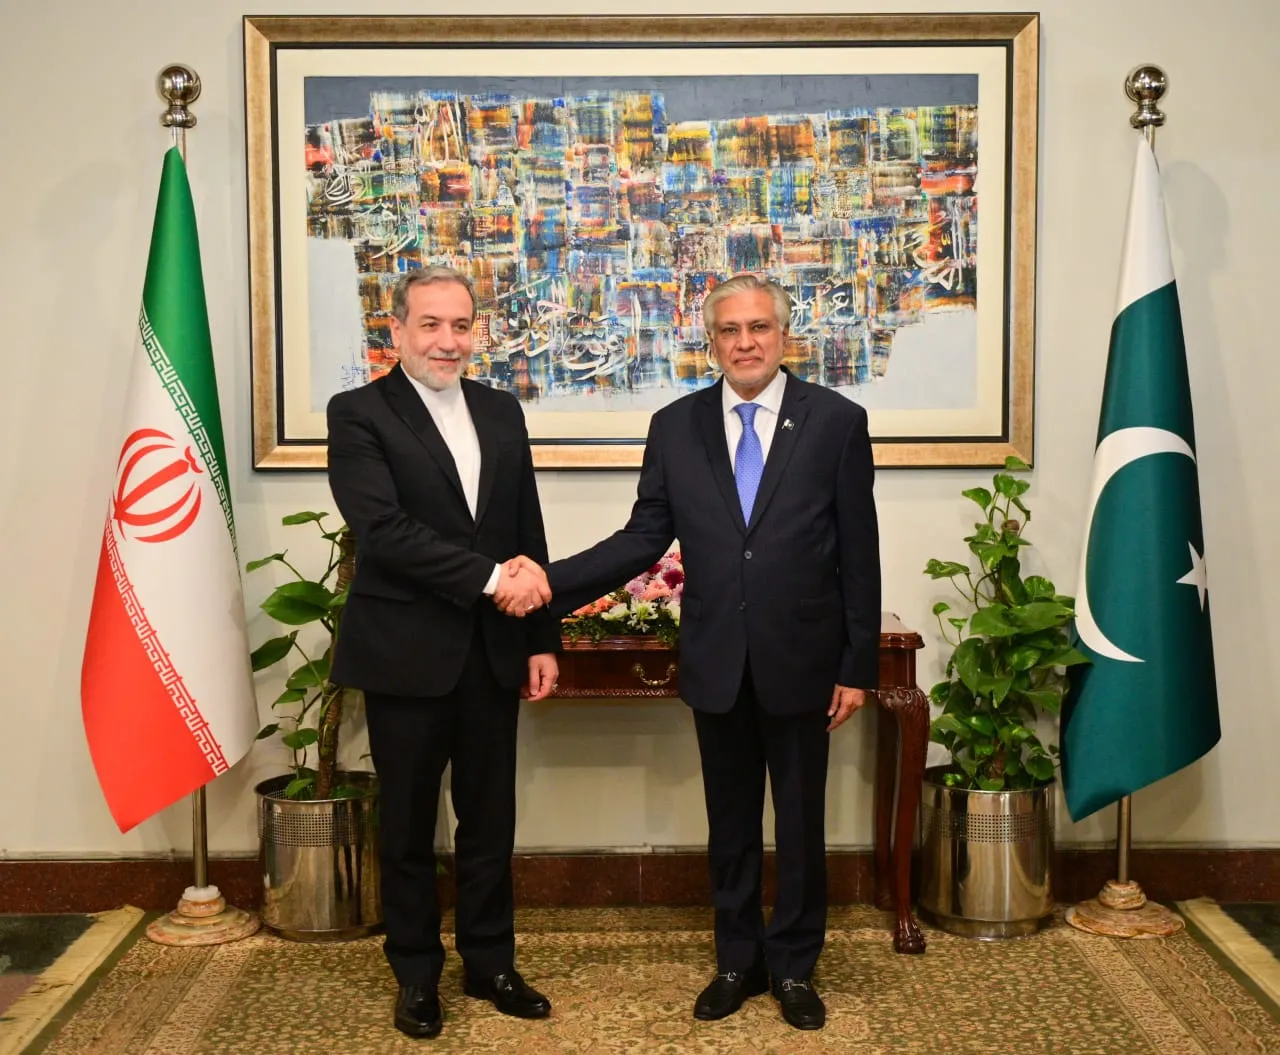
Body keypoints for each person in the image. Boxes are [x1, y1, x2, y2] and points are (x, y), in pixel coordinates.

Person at [535, 274, 881, 1032]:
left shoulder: (836, 421)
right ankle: (737, 961)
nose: (745, 342)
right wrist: (549, 585)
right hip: (718, 657)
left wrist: (857, 665)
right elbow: (642, 537)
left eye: (758, 327)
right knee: (729, 823)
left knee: (800, 823)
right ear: (712, 340)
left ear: (783, 336)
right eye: (730, 330)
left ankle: (794, 965)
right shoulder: (676, 425)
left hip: (804, 659)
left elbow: (860, 550)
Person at [327, 266, 559, 1040]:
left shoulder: (500, 410)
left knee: (490, 822)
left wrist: (541, 638)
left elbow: (524, 525)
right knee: (406, 828)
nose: (447, 341)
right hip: (405, 655)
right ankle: (417, 974)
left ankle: (491, 962)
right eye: (430, 324)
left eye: (461, 325)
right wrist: (494, 580)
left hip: (493, 652)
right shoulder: (359, 413)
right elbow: (383, 532)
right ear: (396, 329)